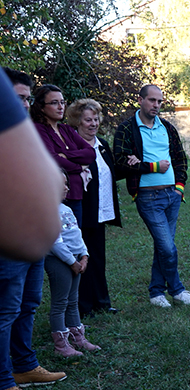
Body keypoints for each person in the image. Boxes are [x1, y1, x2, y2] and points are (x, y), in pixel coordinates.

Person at [0, 68, 66, 390]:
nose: (23, 105)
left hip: (31, 234)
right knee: (5, 310)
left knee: (28, 303)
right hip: (8, 236)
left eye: (27, 99)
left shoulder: (20, 130)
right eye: (18, 98)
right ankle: (2, 381)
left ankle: (24, 366)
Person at [113, 85, 190, 308]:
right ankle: (177, 290)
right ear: (140, 100)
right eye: (152, 100)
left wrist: (179, 187)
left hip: (172, 196)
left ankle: (156, 293)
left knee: (164, 246)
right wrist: (151, 167)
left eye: (160, 102)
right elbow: (119, 162)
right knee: (168, 247)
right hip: (147, 197)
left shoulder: (167, 127)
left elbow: (180, 158)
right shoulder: (127, 129)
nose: (156, 105)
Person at [65, 98, 122, 317]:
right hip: (81, 211)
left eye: (95, 119)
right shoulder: (72, 147)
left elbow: (111, 174)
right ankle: (83, 306)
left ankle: (102, 302)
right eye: (88, 120)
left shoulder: (103, 146)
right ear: (77, 122)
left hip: (101, 211)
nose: (93, 124)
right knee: (82, 258)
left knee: (98, 257)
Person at [44, 170, 101, 358]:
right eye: (63, 185)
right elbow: (55, 242)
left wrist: (84, 255)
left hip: (76, 259)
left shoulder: (66, 209)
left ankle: (78, 338)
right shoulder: (47, 211)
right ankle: (61, 346)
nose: (67, 187)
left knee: (73, 300)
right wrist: (71, 262)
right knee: (60, 302)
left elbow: (77, 234)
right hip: (60, 261)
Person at [31, 84, 95, 227]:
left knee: (75, 241)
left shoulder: (66, 129)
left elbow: (90, 153)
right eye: (54, 103)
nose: (60, 107)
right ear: (41, 107)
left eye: (62, 102)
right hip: (55, 196)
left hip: (76, 195)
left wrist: (65, 155)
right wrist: (79, 167)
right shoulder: (39, 129)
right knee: (59, 244)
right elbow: (52, 159)